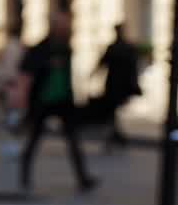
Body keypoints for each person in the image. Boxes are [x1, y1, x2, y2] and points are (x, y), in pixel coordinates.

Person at [19, 12, 97, 193]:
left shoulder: (66, 48)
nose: (65, 30)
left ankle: (83, 178)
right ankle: (24, 176)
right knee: (33, 140)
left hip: (63, 101)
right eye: (62, 27)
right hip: (42, 101)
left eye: (66, 27)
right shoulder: (40, 48)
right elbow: (26, 71)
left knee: (73, 140)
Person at [97, 24, 142, 148]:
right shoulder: (127, 47)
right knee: (112, 112)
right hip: (120, 85)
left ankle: (117, 136)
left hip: (114, 85)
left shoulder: (115, 48)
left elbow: (102, 63)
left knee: (112, 111)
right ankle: (116, 136)